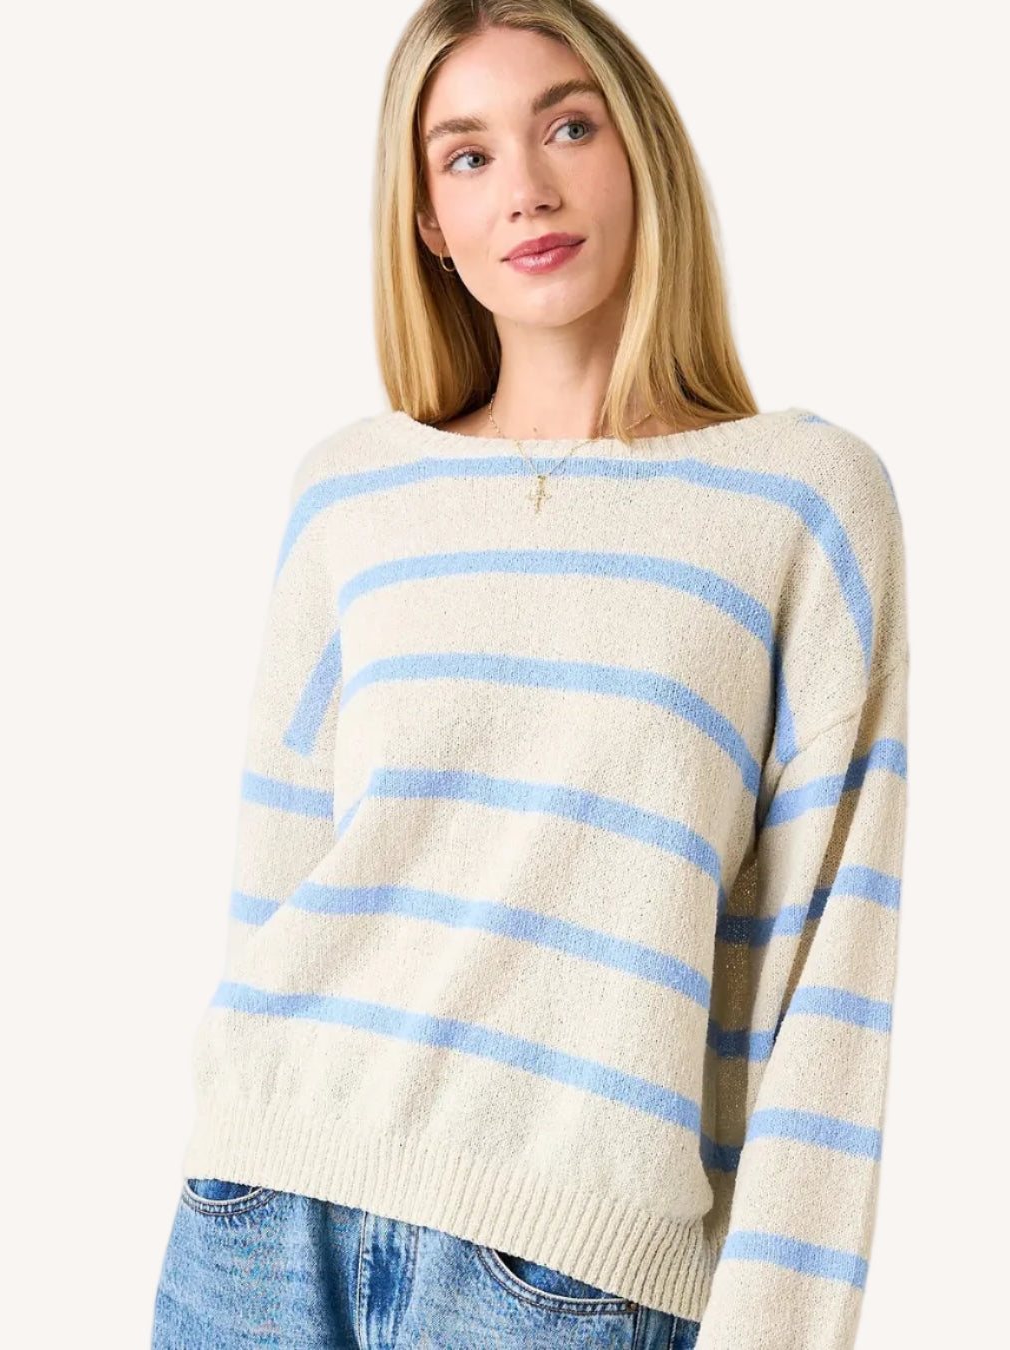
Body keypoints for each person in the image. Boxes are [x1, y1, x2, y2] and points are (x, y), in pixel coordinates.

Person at [151, 2, 910, 1348]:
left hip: (570, 1271)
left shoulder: (801, 501)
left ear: (644, 152)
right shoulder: (351, 492)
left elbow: (830, 970)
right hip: (259, 1216)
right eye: (468, 155)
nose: (528, 189)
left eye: (568, 127)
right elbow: (272, 888)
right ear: (429, 222)